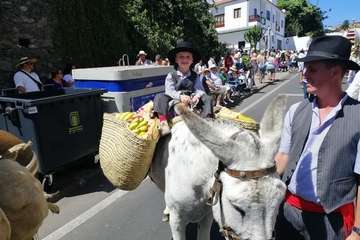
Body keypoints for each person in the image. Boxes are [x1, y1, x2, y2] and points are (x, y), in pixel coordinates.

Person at [274, 36, 360, 240]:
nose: (304, 75)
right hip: (289, 212)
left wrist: (357, 231)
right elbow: (283, 156)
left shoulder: (358, 115)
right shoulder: (296, 111)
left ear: (335, 73)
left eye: (312, 69)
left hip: (331, 221)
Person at [153, 40, 213, 136]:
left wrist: (196, 96)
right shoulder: (171, 75)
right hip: (174, 100)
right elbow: (169, 91)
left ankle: (207, 120)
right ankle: (163, 123)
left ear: (192, 60)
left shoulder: (195, 76)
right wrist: (180, 96)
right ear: (176, 60)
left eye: (188, 57)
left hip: (192, 101)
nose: (185, 59)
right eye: (181, 57)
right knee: (159, 97)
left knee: (207, 97)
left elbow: (199, 89)